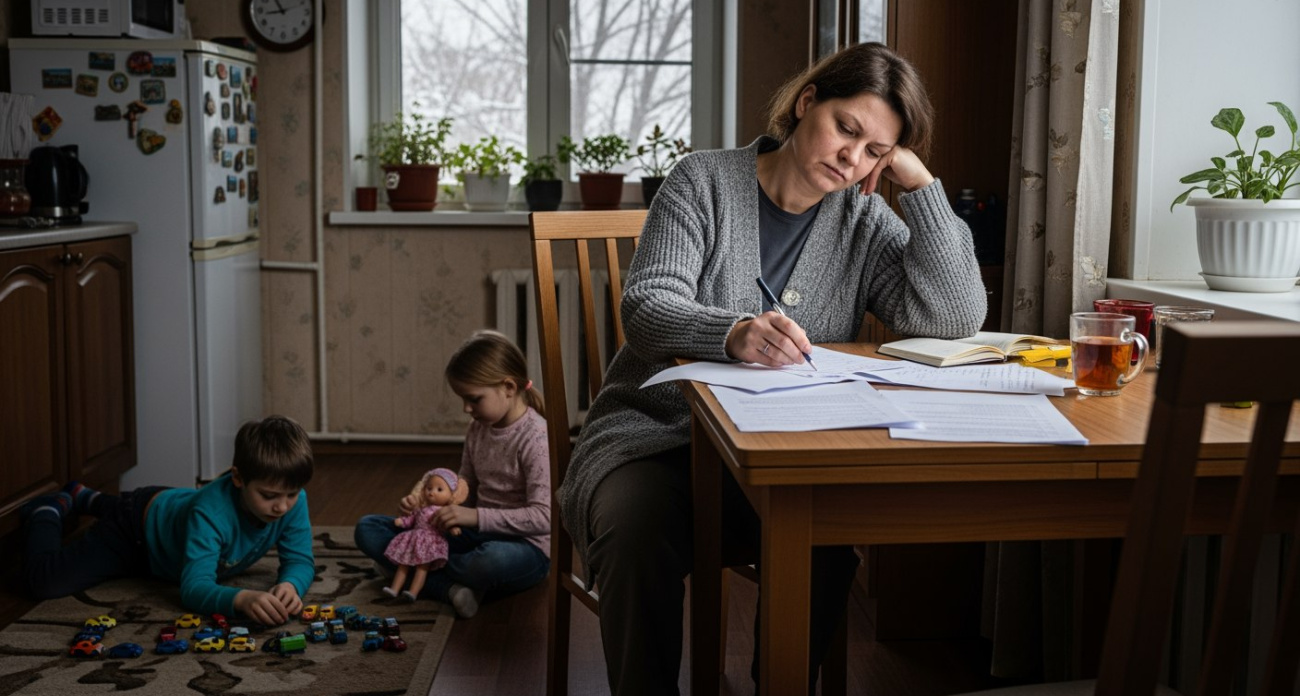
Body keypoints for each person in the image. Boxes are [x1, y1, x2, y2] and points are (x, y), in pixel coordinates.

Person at [563, 42, 988, 695]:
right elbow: (646, 309)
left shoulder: (863, 218)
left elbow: (954, 315)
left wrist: (920, 185)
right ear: (806, 101)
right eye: (847, 129)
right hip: (657, 444)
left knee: (825, 546)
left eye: (875, 151)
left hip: (780, 454)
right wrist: (731, 333)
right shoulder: (701, 180)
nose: (852, 159)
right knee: (635, 537)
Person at [20, 415, 316, 626]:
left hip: (172, 509)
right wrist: (241, 599)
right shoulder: (210, 514)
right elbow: (193, 587)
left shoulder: (291, 500)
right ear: (237, 478)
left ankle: (87, 498)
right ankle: (46, 510)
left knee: (175, 512)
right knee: (45, 580)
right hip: (134, 532)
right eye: (269, 495)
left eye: (291, 494)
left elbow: (300, 560)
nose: (282, 506)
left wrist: (291, 585)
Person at [354, 330, 551, 619]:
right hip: (472, 534)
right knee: (367, 529)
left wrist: (474, 517)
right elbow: (464, 484)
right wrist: (426, 503)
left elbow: (543, 516)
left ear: (508, 387)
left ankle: (402, 566)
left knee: (487, 562)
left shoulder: (536, 439)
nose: (466, 409)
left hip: (525, 548)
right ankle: (450, 588)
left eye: (473, 399)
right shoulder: (478, 428)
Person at [380, 467, 469, 601]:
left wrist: (453, 528)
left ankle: (413, 592)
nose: (432, 493)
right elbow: (411, 519)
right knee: (403, 564)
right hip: (413, 540)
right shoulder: (421, 508)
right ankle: (394, 589)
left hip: (430, 543)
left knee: (422, 568)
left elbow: (448, 523)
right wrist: (402, 521)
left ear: (451, 495)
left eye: (439, 489)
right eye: (429, 488)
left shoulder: (444, 511)